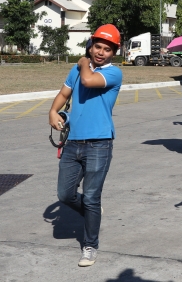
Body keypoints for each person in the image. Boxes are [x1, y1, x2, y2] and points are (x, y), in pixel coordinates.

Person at [49, 24, 123, 267]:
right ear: (91, 46)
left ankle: (90, 246)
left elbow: (88, 80)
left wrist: (82, 62)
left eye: (107, 49)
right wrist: (53, 111)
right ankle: (93, 212)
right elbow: (64, 94)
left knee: (91, 197)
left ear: (114, 53)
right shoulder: (77, 70)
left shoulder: (114, 73)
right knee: (65, 194)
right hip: (73, 143)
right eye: (98, 47)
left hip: (99, 144)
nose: (101, 52)